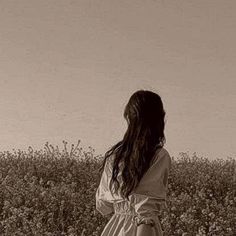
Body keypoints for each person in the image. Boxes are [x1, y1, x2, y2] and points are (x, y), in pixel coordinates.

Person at [95, 89, 171, 236]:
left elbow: (103, 205)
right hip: (143, 230)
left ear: (129, 118)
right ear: (159, 119)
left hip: (115, 228)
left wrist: (123, 210)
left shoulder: (114, 156)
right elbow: (145, 212)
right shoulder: (159, 155)